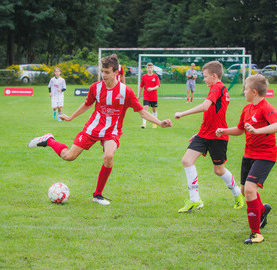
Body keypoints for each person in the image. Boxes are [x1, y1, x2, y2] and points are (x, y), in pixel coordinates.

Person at [28, 55, 172, 206]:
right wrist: (70, 117)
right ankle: (49, 140)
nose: (103, 75)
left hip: (112, 131)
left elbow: (142, 112)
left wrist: (160, 123)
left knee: (108, 156)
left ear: (116, 72)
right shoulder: (95, 87)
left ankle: (97, 195)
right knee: (69, 156)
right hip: (93, 128)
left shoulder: (126, 91)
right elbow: (87, 104)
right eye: (102, 71)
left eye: (107, 72)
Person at [216, 74, 277, 244]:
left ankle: (256, 233)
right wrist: (223, 130)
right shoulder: (247, 109)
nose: (244, 91)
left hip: (265, 155)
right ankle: (262, 211)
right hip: (249, 154)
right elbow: (239, 130)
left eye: (245, 89)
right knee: (245, 191)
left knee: (251, 190)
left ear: (254, 92)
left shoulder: (266, 107)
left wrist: (256, 130)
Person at [175, 61, 244, 213]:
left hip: (217, 136)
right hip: (204, 133)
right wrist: (199, 133)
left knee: (219, 170)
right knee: (187, 160)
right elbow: (211, 113)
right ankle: (195, 200)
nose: (204, 79)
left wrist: (182, 113)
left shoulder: (218, 87)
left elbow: (205, 106)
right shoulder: (217, 88)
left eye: (205, 76)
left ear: (214, 76)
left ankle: (238, 194)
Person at [138, 62, 161, 128]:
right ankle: (144, 124)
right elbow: (141, 86)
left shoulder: (155, 76)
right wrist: (139, 95)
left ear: (153, 68)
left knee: (154, 109)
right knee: (145, 109)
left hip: (153, 96)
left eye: (151, 68)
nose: (150, 69)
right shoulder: (144, 76)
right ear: (147, 68)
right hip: (146, 96)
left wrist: (152, 88)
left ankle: (154, 123)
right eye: (148, 68)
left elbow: (158, 85)